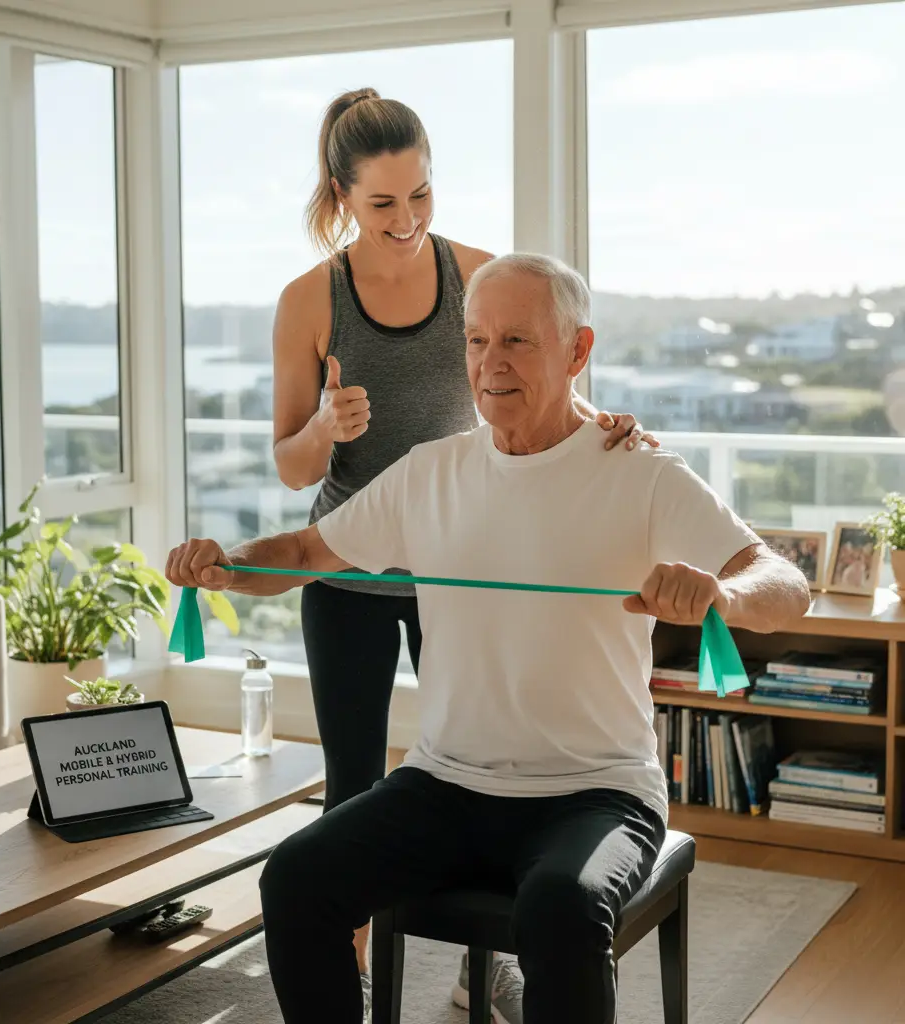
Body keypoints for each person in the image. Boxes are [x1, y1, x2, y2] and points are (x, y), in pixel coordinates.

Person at [166, 253, 811, 1024]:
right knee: (296, 877)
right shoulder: (430, 472)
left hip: (598, 791)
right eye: (475, 342)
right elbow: (307, 553)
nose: (489, 364)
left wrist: (722, 593)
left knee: (560, 909)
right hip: (446, 781)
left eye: (516, 341)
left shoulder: (641, 474)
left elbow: (785, 584)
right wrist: (225, 565)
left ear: (578, 350)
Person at [269, 86, 658, 1015]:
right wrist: (325, 425)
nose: (407, 222)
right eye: (383, 204)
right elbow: (289, 466)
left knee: (490, 757)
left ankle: (492, 965)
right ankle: (351, 974)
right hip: (355, 568)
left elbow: (544, 382)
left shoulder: (475, 272)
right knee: (357, 788)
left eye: (422, 196)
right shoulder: (306, 299)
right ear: (342, 194)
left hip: (463, 563)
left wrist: (614, 427)